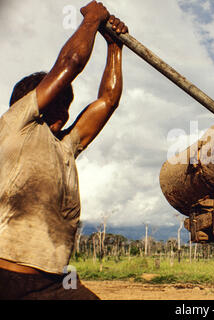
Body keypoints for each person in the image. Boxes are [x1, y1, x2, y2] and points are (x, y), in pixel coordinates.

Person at [0, 1, 128, 300]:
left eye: (68, 108)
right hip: (6, 277)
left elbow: (107, 101)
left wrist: (115, 46)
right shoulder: (14, 125)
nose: (66, 116)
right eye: (58, 105)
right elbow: (69, 64)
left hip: (53, 282)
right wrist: (93, 19)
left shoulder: (65, 148)